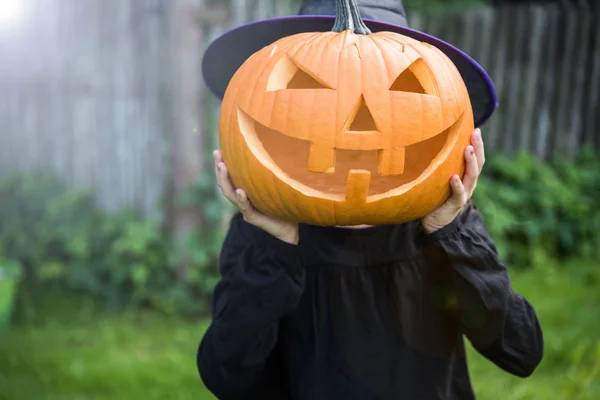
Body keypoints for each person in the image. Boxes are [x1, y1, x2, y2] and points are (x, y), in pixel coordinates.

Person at [197, 1, 544, 399]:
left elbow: (521, 351)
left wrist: (449, 231)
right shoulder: (267, 239)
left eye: (406, 84)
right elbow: (226, 374)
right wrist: (275, 246)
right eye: (305, 82)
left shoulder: (444, 231)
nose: (358, 122)